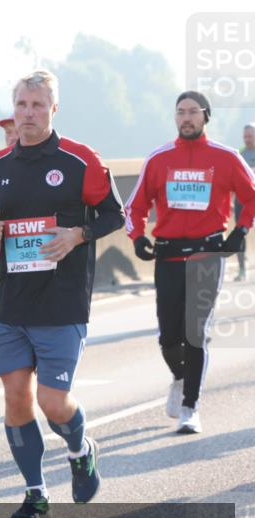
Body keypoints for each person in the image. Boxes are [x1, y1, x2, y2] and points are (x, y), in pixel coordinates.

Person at [0, 70, 123, 518]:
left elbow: (115, 214)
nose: (28, 113)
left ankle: (79, 448)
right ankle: (35, 492)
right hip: (11, 301)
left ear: (54, 109)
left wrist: (78, 234)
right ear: (13, 109)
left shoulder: (79, 160)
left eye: (37, 105)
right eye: (21, 104)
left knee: (53, 402)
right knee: (16, 397)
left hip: (63, 299)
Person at [125, 92, 254, 434]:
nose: (186, 118)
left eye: (193, 112)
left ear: (205, 117)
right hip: (168, 254)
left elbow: (252, 196)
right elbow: (134, 207)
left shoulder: (226, 158)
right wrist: (137, 237)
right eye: (180, 112)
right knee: (169, 337)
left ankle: (190, 407)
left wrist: (240, 231)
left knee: (196, 333)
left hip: (207, 253)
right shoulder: (159, 159)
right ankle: (180, 378)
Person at [236, 122, 255, 281]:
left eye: (250, 136)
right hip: (243, 201)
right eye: (245, 137)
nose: (247, 140)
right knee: (239, 233)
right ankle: (242, 269)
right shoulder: (240, 154)